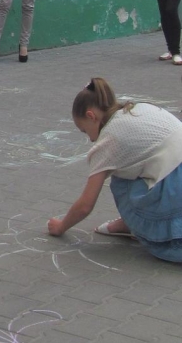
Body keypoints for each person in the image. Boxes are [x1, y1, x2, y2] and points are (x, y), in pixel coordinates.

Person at [47, 77, 182, 262]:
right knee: (129, 165)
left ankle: (139, 225)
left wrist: (61, 227)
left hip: (176, 190)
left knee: (120, 178)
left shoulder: (109, 140)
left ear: (91, 116)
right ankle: (129, 223)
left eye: (85, 131)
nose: (90, 139)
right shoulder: (138, 108)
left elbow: (86, 205)